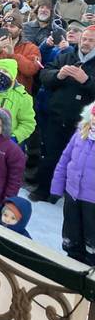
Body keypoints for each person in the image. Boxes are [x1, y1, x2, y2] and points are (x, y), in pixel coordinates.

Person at [34, 26, 95, 202]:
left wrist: (87, 81)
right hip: (58, 116)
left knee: (77, 162)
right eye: (84, 38)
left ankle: (70, 196)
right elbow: (44, 74)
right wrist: (58, 75)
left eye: (91, 40)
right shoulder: (67, 55)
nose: (86, 42)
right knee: (51, 156)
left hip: (85, 125)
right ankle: (43, 191)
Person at [51, 103, 95, 264]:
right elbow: (65, 159)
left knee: (91, 237)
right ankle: (71, 260)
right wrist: (57, 186)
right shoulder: (80, 133)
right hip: (73, 194)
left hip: (92, 201)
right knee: (72, 232)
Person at [0, 12, 41, 93]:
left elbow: (31, 70)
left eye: (12, 26)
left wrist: (13, 55)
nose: (8, 29)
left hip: (18, 94)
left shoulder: (31, 48)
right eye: (5, 26)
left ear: (20, 29)